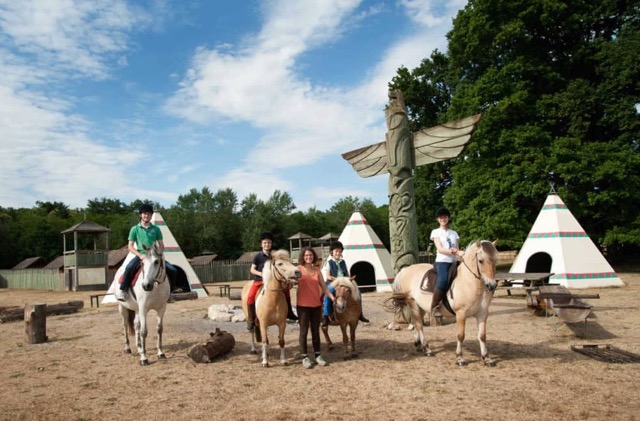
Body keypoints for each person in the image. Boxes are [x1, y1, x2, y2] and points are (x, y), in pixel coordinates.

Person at [116, 204, 178, 302]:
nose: (147, 216)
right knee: (129, 267)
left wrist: (159, 251)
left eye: (149, 214)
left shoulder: (156, 229)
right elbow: (130, 246)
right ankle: (123, 290)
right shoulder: (134, 229)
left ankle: (170, 294)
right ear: (140, 215)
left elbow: (161, 244)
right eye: (145, 214)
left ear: (151, 215)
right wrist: (140, 255)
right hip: (141, 255)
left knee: (173, 270)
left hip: (154, 255)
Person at [247, 231, 298, 330]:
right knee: (250, 296)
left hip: (273, 281)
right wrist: (261, 274)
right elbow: (252, 269)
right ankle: (251, 319)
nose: (267, 244)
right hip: (259, 280)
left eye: (269, 243)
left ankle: (290, 312)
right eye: (265, 243)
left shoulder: (275, 255)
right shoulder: (258, 256)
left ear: (271, 244)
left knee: (287, 291)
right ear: (261, 244)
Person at [296, 247, 335, 368]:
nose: (309, 257)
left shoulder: (317, 271)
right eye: (306, 255)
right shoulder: (298, 269)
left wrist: (333, 298)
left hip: (316, 305)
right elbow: (290, 281)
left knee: (315, 331)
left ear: (313, 257)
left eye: (311, 255)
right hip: (302, 306)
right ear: (303, 256)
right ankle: (304, 357)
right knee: (303, 331)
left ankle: (317, 355)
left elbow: (324, 287)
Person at [322, 240, 370, 325]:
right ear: (331, 252)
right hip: (333, 282)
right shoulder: (329, 262)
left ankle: (360, 314)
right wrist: (338, 280)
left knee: (358, 293)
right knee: (327, 295)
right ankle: (326, 316)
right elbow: (328, 276)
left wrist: (349, 279)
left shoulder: (343, 262)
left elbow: (346, 273)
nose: (338, 253)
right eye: (336, 251)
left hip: (344, 282)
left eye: (340, 251)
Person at [429, 207, 463, 317]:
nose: (443, 219)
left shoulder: (454, 233)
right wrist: (453, 251)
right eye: (441, 217)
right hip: (442, 262)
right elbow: (440, 249)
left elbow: (457, 248)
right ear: (438, 219)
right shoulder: (436, 232)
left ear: (448, 218)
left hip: (454, 262)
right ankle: (434, 306)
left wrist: (462, 254)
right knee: (443, 280)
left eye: (445, 217)